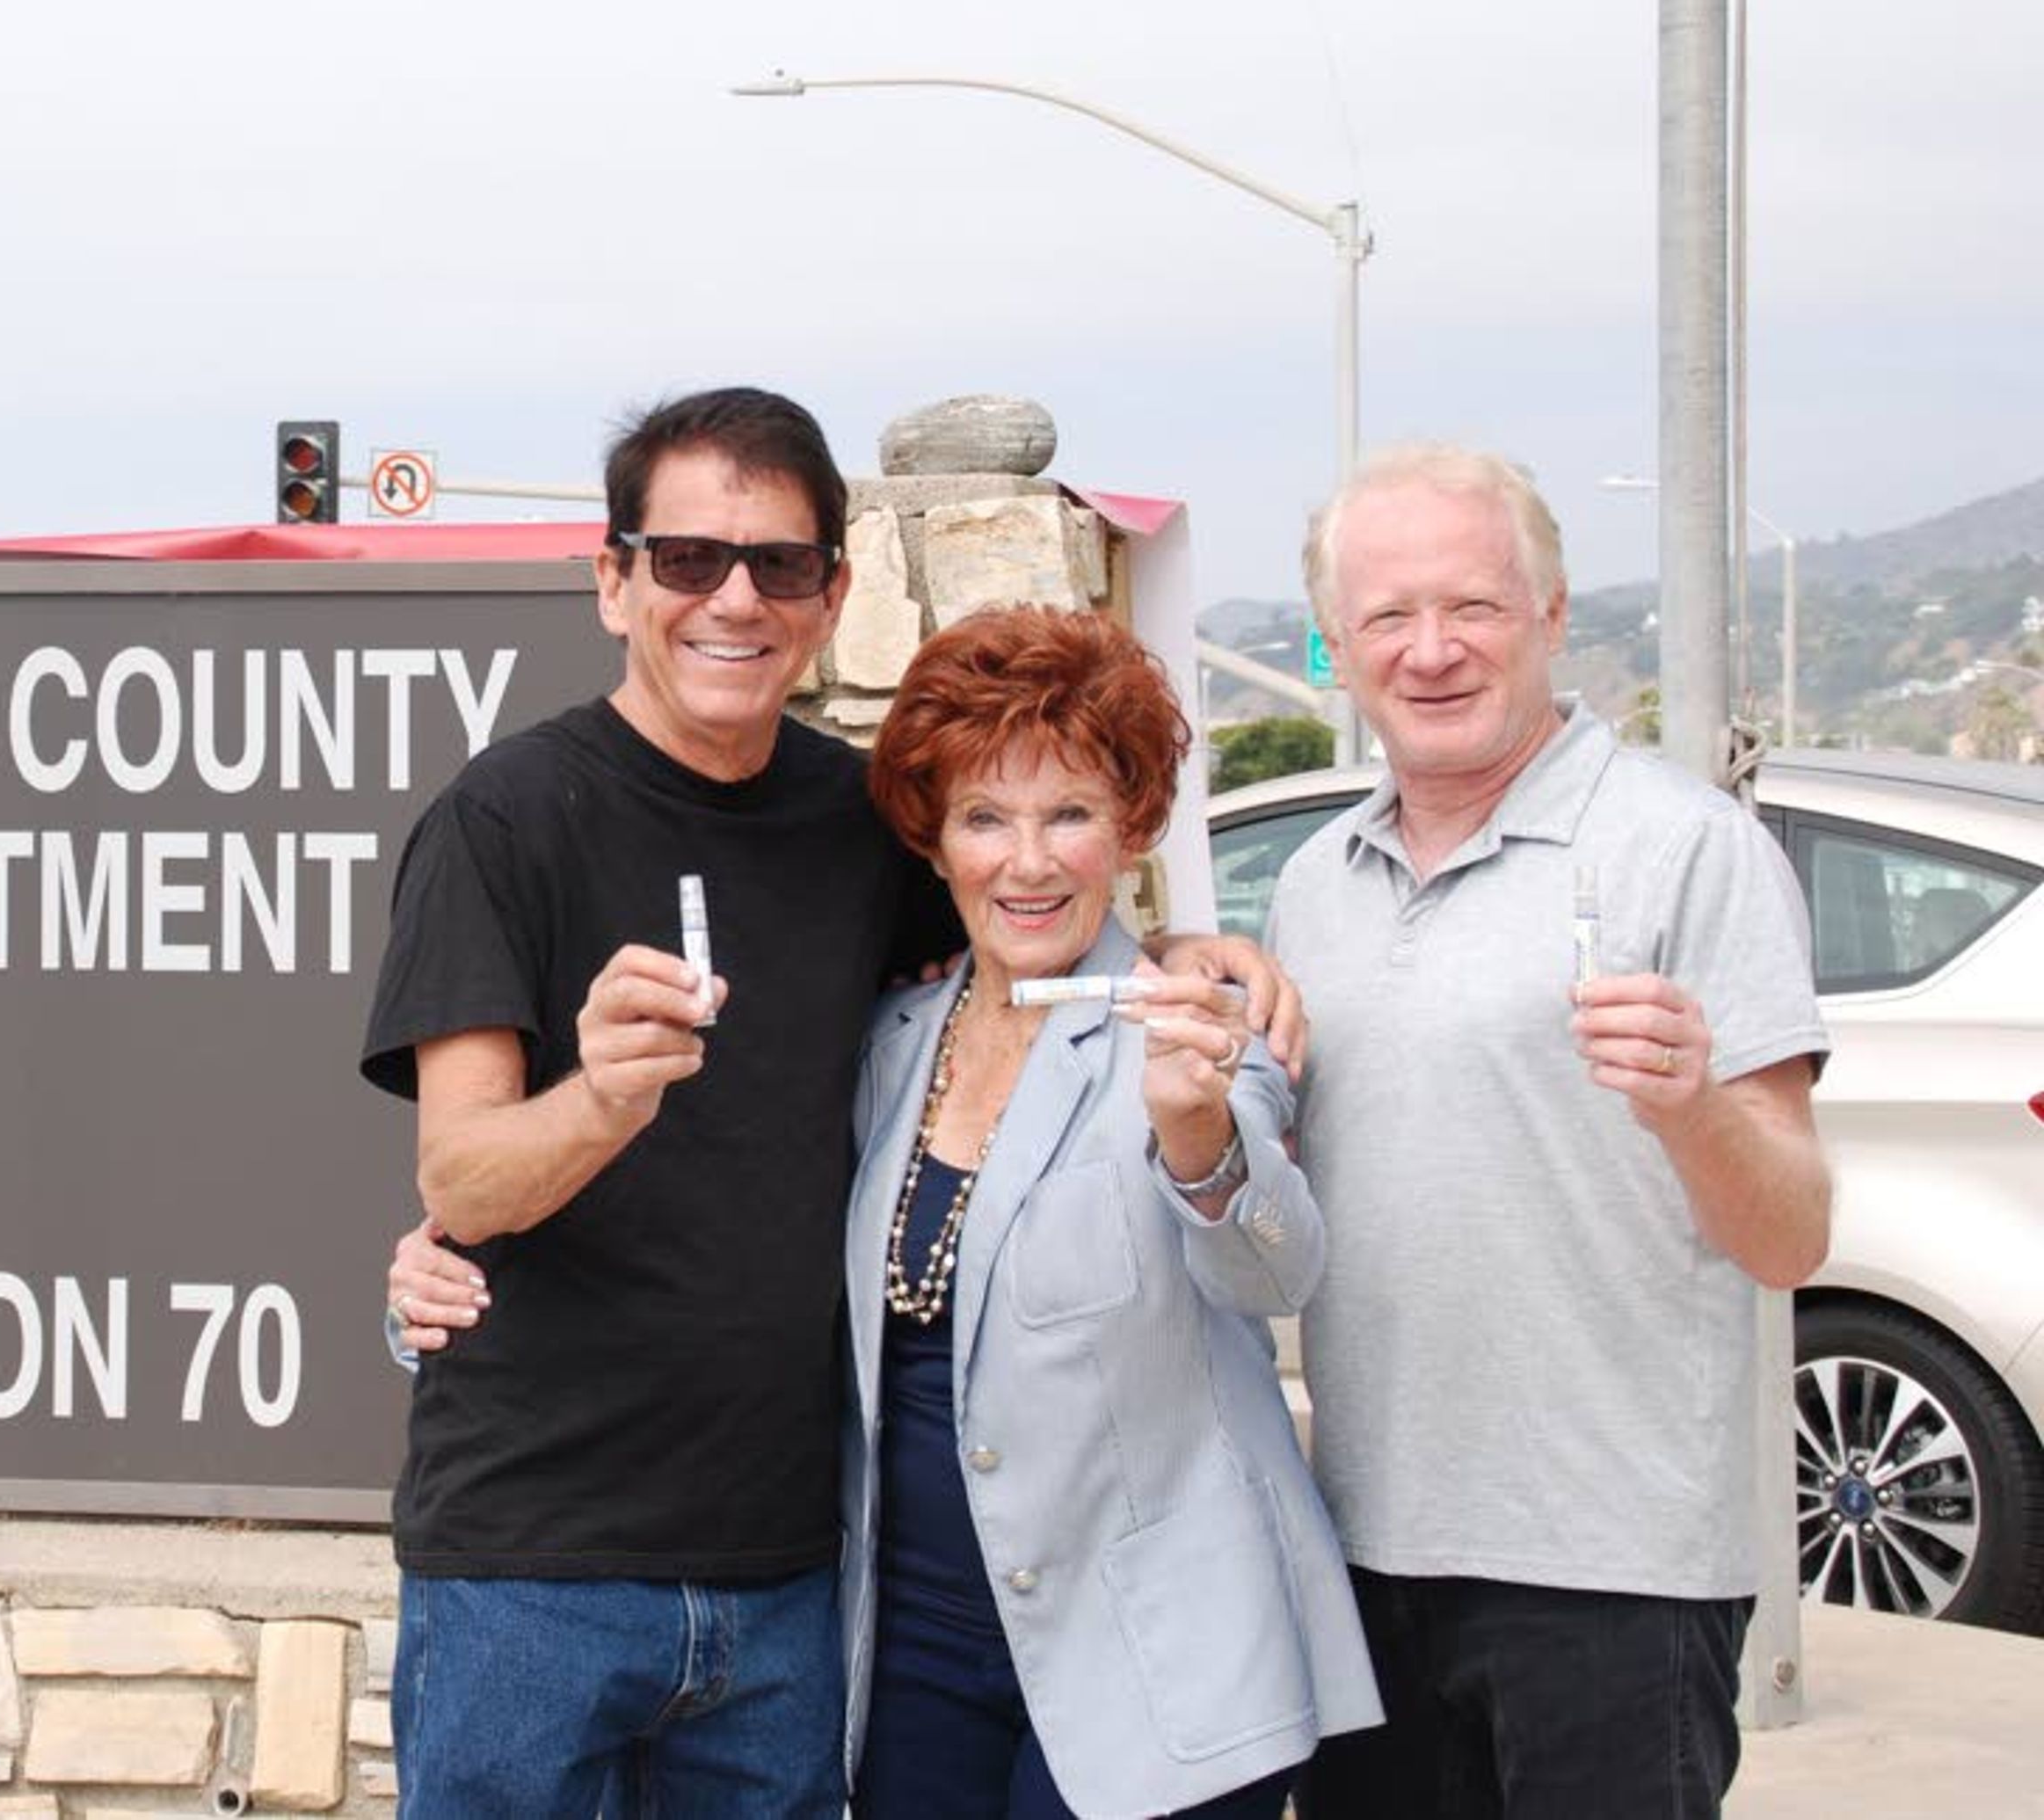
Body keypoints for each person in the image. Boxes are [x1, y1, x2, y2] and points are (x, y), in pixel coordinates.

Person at [360, 386, 1290, 1818]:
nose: (732, 597)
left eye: (778, 564)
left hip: (797, 1581)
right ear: (613, 582)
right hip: (533, 1568)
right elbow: (466, 1180)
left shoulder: (866, 829)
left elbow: (1025, 925)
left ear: (831, 594)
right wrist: (601, 1099)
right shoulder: (505, 818)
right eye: (685, 559)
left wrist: (1178, 958)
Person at [1281, 444, 1829, 1820]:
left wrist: (1691, 1102)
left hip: (1616, 1572)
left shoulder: (1687, 849)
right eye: (1387, 618)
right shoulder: (1309, 882)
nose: (1432, 650)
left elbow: (1792, 1233)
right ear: (1337, 646)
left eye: (1472, 605)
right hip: (1362, 1556)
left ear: (1554, 615)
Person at [835, 603, 1378, 1818]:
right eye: (986, 817)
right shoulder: (887, 1044)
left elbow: (1275, 1270)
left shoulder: (1192, 1020)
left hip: (1164, 1658)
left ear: (1131, 828)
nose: (1027, 862)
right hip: (917, 1653)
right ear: (935, 840)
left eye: (1069, 814)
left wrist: (1199, 1136)